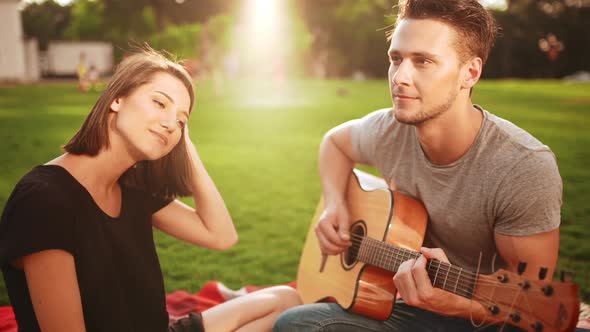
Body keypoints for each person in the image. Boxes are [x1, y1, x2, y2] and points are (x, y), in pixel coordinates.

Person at [273, 0, 562, 331]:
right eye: (396, 59)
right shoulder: (388, 130)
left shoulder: (522, 167)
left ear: (470, 72)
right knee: (297, 324)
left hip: (483, 319)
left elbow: (533, 307)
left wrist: (452, 304)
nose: (400, 77)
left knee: (299, 326)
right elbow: (334, 143)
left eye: (423, 61)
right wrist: (335, 205)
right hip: (409, 301)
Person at [0, 47, 301, 332]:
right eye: (159, 103)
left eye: (182, 120)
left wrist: (186, 143)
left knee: (286, 302)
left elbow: (221, 235)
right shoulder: (45, 199)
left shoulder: (131, 188)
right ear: (117, 99)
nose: (171, 123)